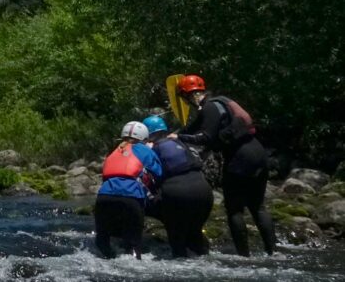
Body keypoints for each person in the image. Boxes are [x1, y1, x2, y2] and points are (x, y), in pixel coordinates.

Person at [170, 75, 275, 256]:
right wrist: (181, 132)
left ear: (189, 95)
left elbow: (205, 138)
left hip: (240, 158)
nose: (186, 102)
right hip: (258, 153)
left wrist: (178, 138)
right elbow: (194, 127)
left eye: (184, 98)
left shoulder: (209, 108)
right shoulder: (222, 102)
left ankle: (244, 256)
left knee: (235, 210)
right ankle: (273, 253)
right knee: (258, 207)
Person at [143, 115, 212, 257]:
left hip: (177, 192)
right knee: (194, 231)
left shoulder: (152, 149)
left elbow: (150, 177)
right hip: (204, 190)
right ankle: (201, 252)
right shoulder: (180, 142)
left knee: (177, 238)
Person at [94, 121, 162, 259]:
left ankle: (110, 258)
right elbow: (159, 173)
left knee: (102, 241)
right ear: (144, 138)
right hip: (131, 198)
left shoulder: (113, 151)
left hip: (104, 197)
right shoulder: (145, 150)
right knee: (134, 245)